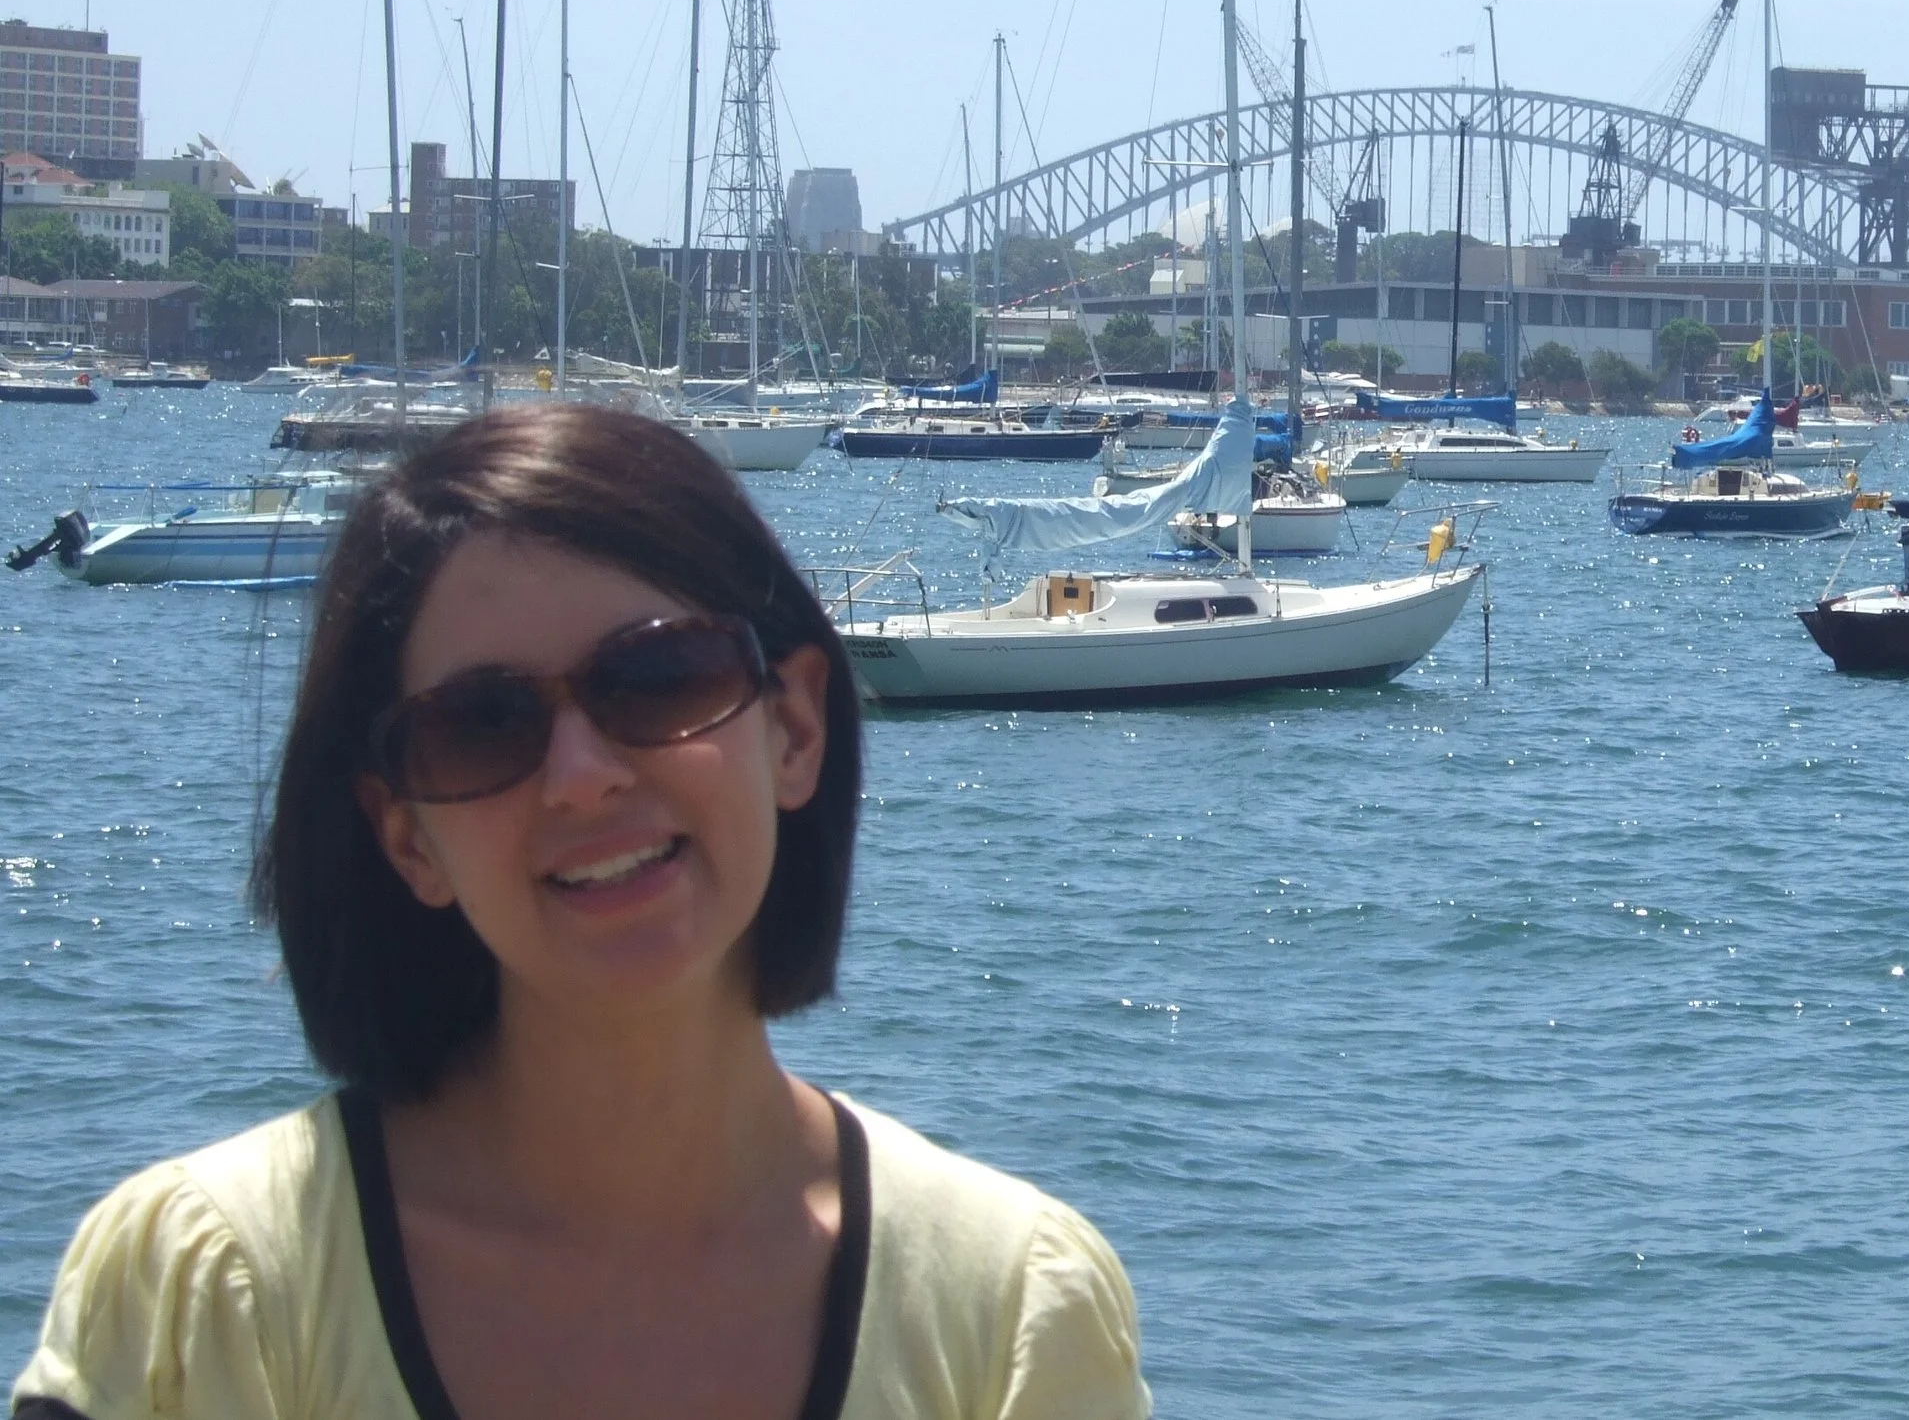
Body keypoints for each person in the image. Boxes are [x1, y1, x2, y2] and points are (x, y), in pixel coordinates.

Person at [13, 405, 1152, 1420]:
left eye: (658, 679)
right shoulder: (207, 1289)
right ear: (408, 836)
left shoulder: (1008, 1311)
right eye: (483, 725)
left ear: (794, 728)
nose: (581, 775)